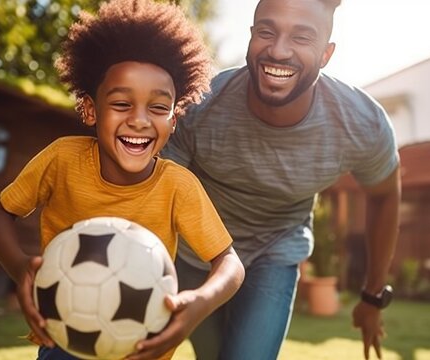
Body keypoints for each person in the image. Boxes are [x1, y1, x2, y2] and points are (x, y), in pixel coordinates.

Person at [0, 1, 245, 359]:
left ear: (173, 120)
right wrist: (19, 266)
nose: (139, 120)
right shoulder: (62, 158)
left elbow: (229, 262)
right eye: (122, 104)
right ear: (91, 109)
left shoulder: (177, 185)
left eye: (157, 107)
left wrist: (200, 302)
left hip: (144, 348)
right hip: (64, 341)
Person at [160, 0, 401, 359]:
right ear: (251, 36)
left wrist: (373, 295)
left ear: (325, 54)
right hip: (197, 256)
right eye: (266, 32)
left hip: (274, 250)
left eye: (302, 37)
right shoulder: (198, 104)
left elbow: (384, 196)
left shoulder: (361, 124)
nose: (278, 50)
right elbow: (157, 194)